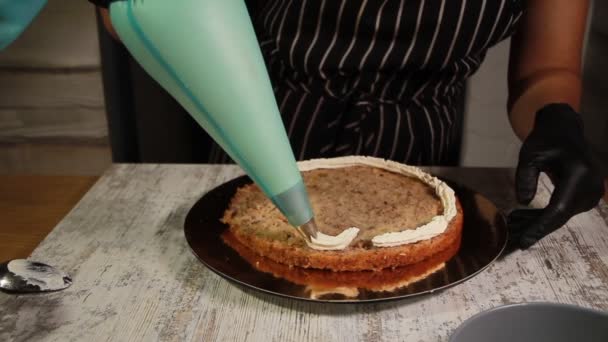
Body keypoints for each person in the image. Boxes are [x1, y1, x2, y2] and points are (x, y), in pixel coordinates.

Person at [92, 0, 605, 249]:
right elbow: (151, 17)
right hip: (261, 124)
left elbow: (548, 70)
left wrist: (555, 117)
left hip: (422, 146)